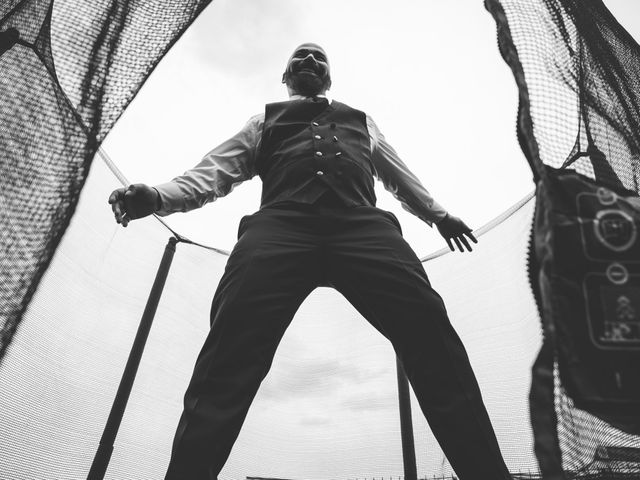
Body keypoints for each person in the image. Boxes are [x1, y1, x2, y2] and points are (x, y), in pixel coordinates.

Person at [109, 43, 512, 480]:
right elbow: (215, 170)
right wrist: (158, 196)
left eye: (319, 57)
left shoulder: (362, 121)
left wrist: (438, 215)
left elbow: (397, 174)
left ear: (329, 76)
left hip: (363, 226)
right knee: (230, 350)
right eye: (300, 57)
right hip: (281, 226)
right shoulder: (263, 120)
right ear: (286, 76)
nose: (310, 61)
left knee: (431, 332)